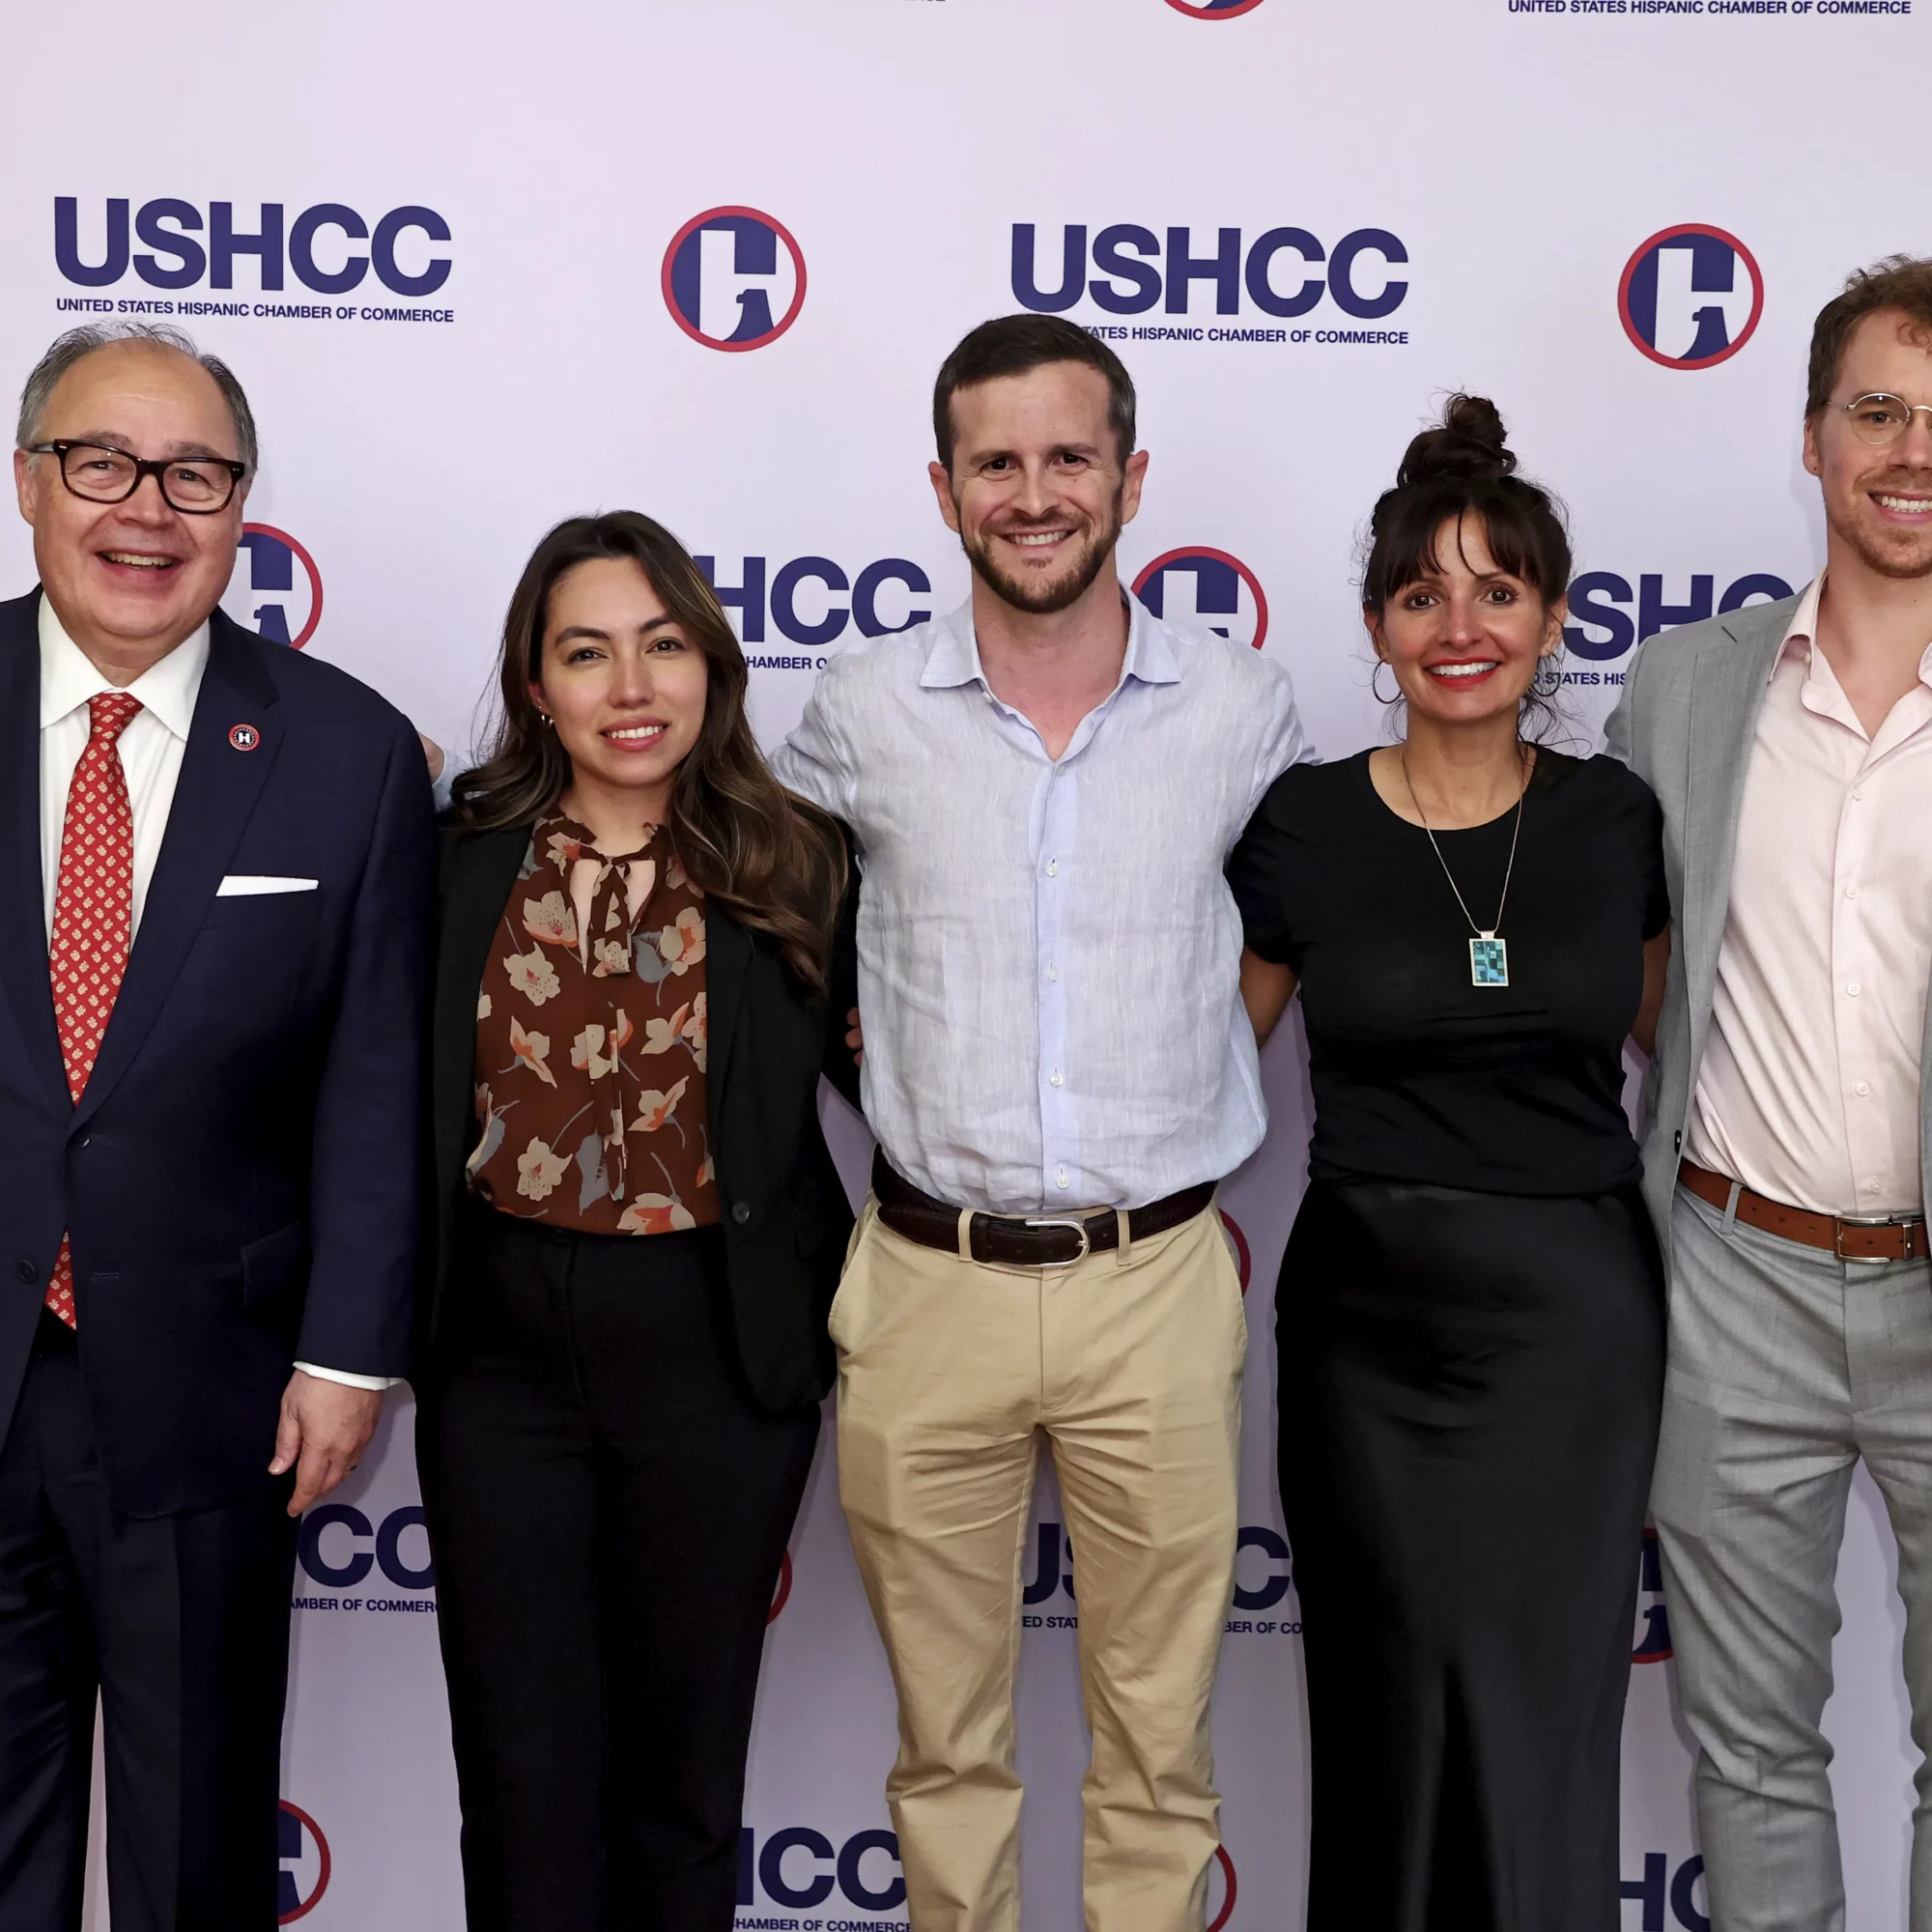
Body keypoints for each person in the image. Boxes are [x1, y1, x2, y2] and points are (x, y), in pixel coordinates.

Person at [772, 313, 1311, 1932]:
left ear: (1131, 478)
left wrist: (1197, 1066)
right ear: (942, 491)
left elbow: (1279, 932)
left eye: (1068, 456)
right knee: (947, 1753)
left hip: (1155, 1281)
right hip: (927, 1281)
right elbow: (774, 930)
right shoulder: (858, 708)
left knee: (1160, 1755)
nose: (1034, 493)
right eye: (995, 463)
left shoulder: (1244, 707)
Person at [0, 324, 431, 1925]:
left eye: (195, 474)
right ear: (32, 483)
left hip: (213, 1393)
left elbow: (376, 1081)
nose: (145, 510)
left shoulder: (346, 754)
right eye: (101, 464)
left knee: (194, 1850)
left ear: (241, 505)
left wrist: (345, 1357)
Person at [1229, 397, 1670, 1932]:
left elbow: (1690, 1067)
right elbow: (1202, 1072)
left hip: (1578, 1329)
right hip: (1369, 1334)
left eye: (1498, 591)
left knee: (1549, 1724)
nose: (1461, 626)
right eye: (1424, 594)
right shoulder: (1302, 828)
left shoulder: (1621, 822)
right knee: (1388, 1721)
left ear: (1555, 617)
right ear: (1376, 625)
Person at [418, 511, 857, 1931]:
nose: (630, 687)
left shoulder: (806, 863)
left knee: (683, 1780)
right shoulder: (454, 861)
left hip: (717, 1355)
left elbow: (909, 1078)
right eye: (587, 651)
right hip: (496, 1359)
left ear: (712, 668)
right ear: (536, 682)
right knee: (521, 1776)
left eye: (663, 646)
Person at [1605, 257, 1932, 1932]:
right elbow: (1627, 960)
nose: (1910, 448)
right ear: (1812, 437)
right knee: (1745, 1748)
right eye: (1876, 409)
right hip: (1735, 1279)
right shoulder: (1687, 687)